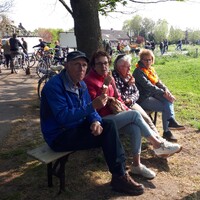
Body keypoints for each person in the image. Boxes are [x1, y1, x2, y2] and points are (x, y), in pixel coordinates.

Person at [40, 50, 144, 195]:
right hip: (59, 135)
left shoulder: (81, 84)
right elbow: (63, 117)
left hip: (76, 127)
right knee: (108, 133)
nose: (81, 68)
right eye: (76, 64)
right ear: (66, 66)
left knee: (107, 125)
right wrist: (91, 108)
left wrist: (95, 121)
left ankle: (119, 175)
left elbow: (90, 110)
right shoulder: (54, 87)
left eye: (84, 65)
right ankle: (119, 176)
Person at [84, 50, 182, 179]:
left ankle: (136, 165)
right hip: (101, 120)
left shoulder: (109, 76)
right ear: (93, 65)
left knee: (135, 126)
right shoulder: (89, 80)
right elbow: (96, 105)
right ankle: (158, 145)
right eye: (99, 64)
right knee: (135, 114)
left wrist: (125, 109)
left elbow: (118, 97)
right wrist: (106, 85)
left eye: (106, 63)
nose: (103, 67)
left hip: (116, 114)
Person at [132, 49, 185, 142]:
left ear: (152, 60)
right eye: (145, 60)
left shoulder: (151, 69)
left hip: (152, 95)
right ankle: (167, 130)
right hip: (143, 98)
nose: (148, 62)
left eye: (150, 59)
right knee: (165, 106)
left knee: (168, 100)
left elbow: (158, 82)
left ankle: (170, 122)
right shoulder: (138, 72)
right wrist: (164, 93)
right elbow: (149, 86)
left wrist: (167, 91)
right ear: (141, 60)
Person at [112, 54, 159, 136]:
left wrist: (131, 100)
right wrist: (127, 85)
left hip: (132, 103)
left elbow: (136, 92)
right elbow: (118, 95)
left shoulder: (128, 76)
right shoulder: (114, 77)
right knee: (144, 119)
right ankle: (158, 141)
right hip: (121, 106)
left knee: (147, 119)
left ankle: (158, 139)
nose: (130, 69)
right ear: (120, 67)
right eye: (127, 67)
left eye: (130, 66)